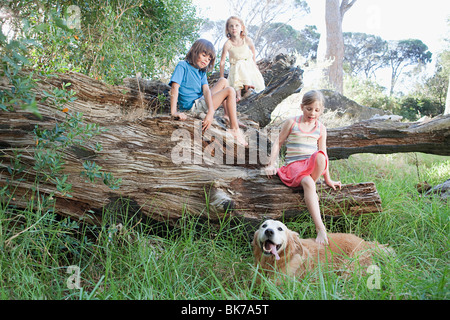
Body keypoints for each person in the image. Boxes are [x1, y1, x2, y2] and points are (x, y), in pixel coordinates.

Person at [264, 90, 342, 245]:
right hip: (293, 167)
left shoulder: (321, 128)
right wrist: (271, 164)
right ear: (302, 107)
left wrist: (328, 179)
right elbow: (278, 142)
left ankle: (311, 188)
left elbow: (324, 154)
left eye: (317, 110)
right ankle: (320, 228)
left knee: (320, 156)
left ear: (322, 111)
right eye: (309, 109)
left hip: (310, 166)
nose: (313, 113)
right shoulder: (292, 123)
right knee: (307, 181)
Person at [169, 39, 247, 146]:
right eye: (204, 55)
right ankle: (234, 129)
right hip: (193, 107)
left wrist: (211, 111)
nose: (206, 60)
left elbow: (206, 91)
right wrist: (174, 112)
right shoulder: (183, 65)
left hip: (200, 101)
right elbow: (175, 88)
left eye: (209, 59)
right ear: (195, 51)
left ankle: (227, 116)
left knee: (223, 81)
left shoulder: (201, 71)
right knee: (230, 91)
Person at [219, 16, 265, 102]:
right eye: (231, 26)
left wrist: (254, 63)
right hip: (235, 68)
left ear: (242, 28)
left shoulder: (246, 40)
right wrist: (221, 77)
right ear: (227, 29)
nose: (234, 28)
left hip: (248, 66)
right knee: (239, 65)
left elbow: (253, 51)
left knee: (242, 64)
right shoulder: (228, 44)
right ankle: (238, 95)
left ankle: (248, 87)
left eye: (237, 25)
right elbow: (222, 61)